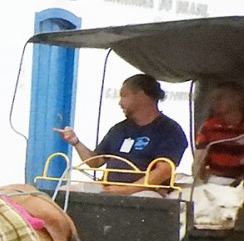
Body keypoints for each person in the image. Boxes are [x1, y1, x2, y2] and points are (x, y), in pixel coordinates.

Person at [54, 73, 189, 192]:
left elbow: (163, 171)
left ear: (141, 96)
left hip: (146, 192)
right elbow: (95, 162)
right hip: (108, 188)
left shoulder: (169, 130)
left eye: (124, 96)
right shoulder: (119, 129)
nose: (120, 102)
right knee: (65, 191)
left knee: (143, 200)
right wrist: (76, 142)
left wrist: (126, 190)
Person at [193, 81, 244, 183]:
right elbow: (199, 161)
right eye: (213, 98)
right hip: (216, 180)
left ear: (238, 99)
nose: (215, 101)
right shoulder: (209, 127)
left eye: (220, 97)